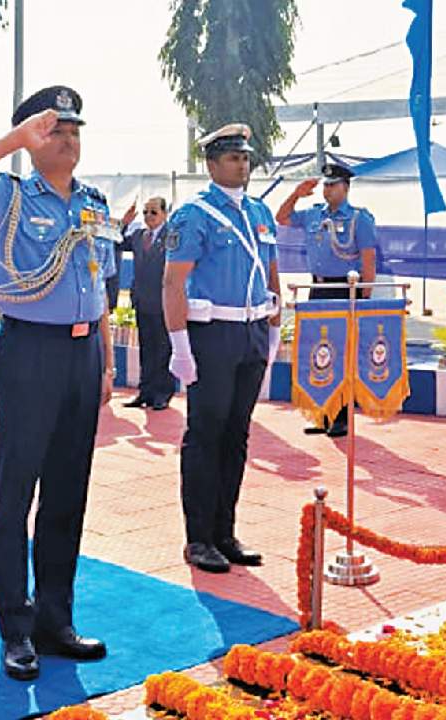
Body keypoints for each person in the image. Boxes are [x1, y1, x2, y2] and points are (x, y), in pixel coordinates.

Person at [0, 85, 114, 681]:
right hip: (31, 351)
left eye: (73, 130)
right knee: (16, 495)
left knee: (68, 492)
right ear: (32, 138)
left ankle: (54, 621)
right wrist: (11, 140)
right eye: (55, 129)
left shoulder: (93, 203)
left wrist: (106, 363)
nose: (68, 139)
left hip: (84, 352)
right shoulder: (5, 197)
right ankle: (16, 629)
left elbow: (99, 286)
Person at [164, 122, 280, 574]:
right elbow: (173, 282)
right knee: (206, 434)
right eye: (233, 157)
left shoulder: (260, 211)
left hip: (251, 333)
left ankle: (224, 532)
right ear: (212, 165)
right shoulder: (194, 214)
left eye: (246, 157)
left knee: (237, 436)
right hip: (212, 335)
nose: (242, 165)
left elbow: (271, 271)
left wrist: (273, 329)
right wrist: (180, 345)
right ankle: (198, 538)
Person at [275, 161, 376, 436]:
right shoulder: (314, 214)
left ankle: (342, 416)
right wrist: (296, 194)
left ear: (346, 187)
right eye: (326, 185)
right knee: (318, 349)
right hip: (318, 288)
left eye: (333, 185)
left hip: (346, 289)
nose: (327, 190)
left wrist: (364, 297)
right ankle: (323, 413)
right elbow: (282, 217)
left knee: (344, 353)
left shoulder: (358, 218)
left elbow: (369, 259)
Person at [123, 197, 174, 410]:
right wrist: (124, 222)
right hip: (142, 301)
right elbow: (116, 241)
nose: (148, 216)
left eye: (153, 212)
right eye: (145, 212)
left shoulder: (172, 236)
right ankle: (145, 392)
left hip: (163, 302)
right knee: (146, 348)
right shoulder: (138, 235)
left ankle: (162, 393)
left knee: (163, 349)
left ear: (164, 214)